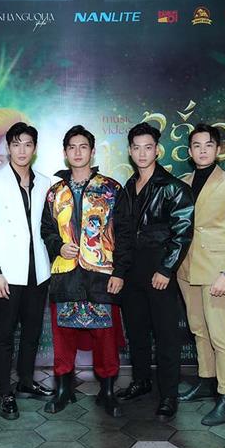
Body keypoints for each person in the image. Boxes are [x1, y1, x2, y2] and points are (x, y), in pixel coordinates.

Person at [40, 125, 132, 417]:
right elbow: (46, 230)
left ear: (92, 152)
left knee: (105, 336)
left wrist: (119, 272)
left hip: (101, 274)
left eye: (83, 147)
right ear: (65, 153)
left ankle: (107, 391)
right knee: (63, 335)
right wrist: (58, 246)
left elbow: (125, 234)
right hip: (66, 273)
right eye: (72, 147)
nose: (77, 152)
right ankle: (63, 389)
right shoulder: (55, 193)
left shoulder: (111, 189)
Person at [115, 122, 194, 421]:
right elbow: (123, 233)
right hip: (132, 271)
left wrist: (166, 268)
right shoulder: (128, 187)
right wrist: (120, 271)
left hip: (159, 269)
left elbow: (183, 232)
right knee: (136, 331)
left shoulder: (173, 187)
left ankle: (169, 394)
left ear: (157, 150)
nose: (142, 153)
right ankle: (141, 381)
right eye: (136, 148)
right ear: (130, 151)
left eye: (148, 147)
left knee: (165, 335)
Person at [0, 122, 54, 420]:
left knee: (33, 331)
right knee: (5, 334)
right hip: (7, 272)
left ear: (34, 148)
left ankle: (25, 380)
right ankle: (4, 390)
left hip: (39, 269)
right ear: (8, 147)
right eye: (16, 144)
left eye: (28, 144)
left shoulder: (45, 182)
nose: (22, 150)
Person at [176, 123, 225, 426]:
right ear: (189, 151)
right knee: (198, 329)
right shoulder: (183, 182)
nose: (202, 150)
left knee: (220, 333)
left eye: (208, 145)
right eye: (197, 145)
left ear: (218, 149)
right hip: (186, 268)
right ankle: (206, 380)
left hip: (216, 270)